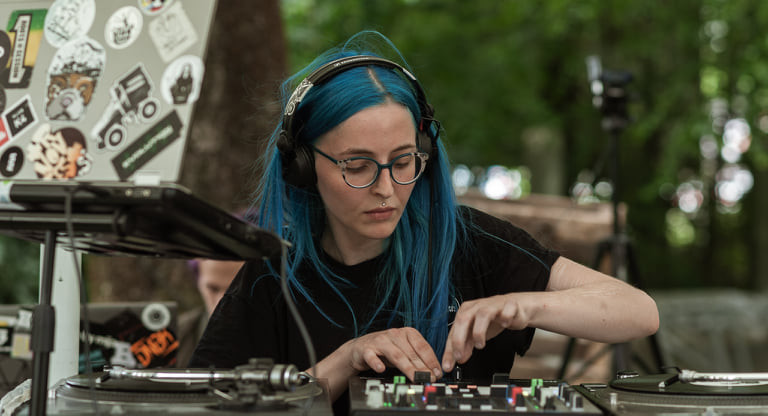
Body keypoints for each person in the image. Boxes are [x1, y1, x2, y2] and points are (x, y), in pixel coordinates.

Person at [190, 31, 659, 413]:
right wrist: (347, 359)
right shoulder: (272, 274)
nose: (387, 188)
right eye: (358, 166)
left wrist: (524, 305)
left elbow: (639, 312)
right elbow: (211, 406)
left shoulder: (470, 241)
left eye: (403, 161)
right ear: (304, 166)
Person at [175, 258, 244, 367]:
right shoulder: (176, 338)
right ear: (198, 281)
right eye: (214, 289)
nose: (222, 302)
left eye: (236, 289)